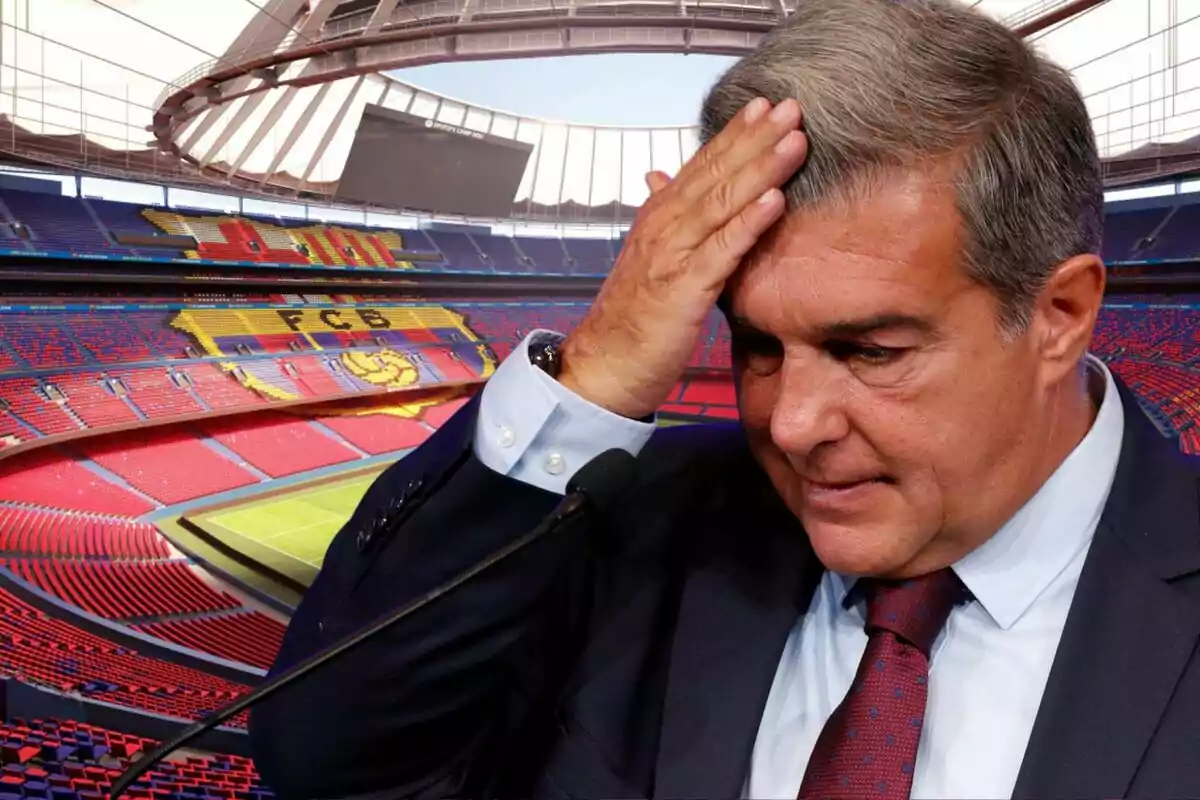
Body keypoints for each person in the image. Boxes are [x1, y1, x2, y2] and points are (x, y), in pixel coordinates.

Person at [249, 1, 1200, 798]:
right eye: (755, 347)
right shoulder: (636, 525)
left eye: (869, 349)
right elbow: (336, 766)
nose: (791, 424)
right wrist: (596, 372)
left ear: (1061, 314)